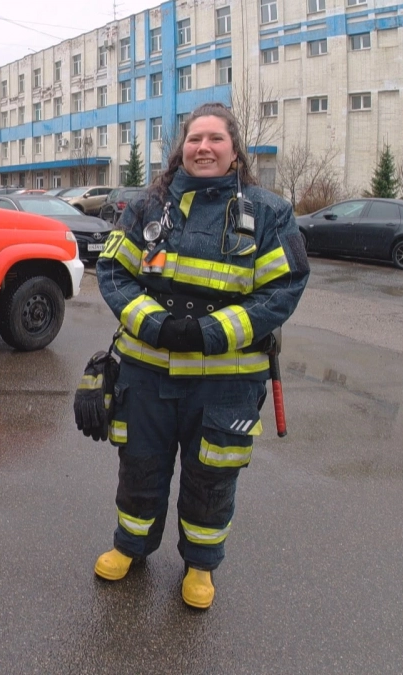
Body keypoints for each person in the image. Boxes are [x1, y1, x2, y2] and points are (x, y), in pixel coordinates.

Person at [90, 102, 309, 609]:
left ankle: (201, 565)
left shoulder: (269, 212)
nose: (203, 148)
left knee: (212, 476)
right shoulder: (148, 206)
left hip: (226, 381)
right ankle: (130, 546)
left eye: (215, 139)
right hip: (148, 373)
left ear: (235, 150)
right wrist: (157, 324)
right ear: (181, 148)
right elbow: (114, 272)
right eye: (194, 139)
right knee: (140, 464)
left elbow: (283, 288)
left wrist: (209, 333)